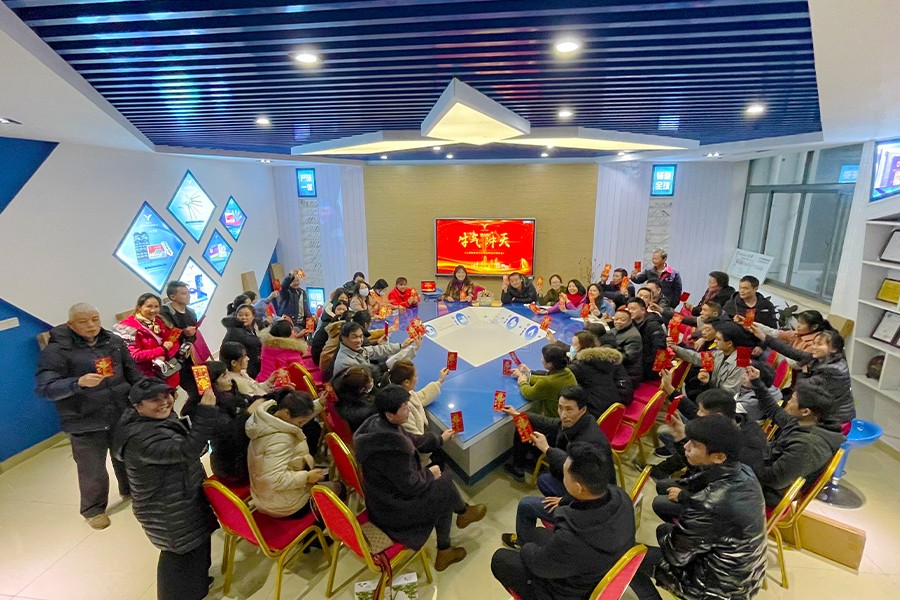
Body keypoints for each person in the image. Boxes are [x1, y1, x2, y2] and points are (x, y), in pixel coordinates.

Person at [629, 415, 767, 600]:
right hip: (744, 572)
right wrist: (681, 439)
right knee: (665, 528)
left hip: (714, 588)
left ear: (718, 456)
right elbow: (700, 475)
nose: (687, 446)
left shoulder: (709, 504)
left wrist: (672, 537)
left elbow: (676, 557)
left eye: (693, 444)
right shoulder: (743, 471)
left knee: (626, 558)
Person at [353, 386, 487, 571]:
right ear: (390, 415)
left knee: (443, 488)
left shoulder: (378, 425)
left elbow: (413, 440)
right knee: (444, 486)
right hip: (393, 510)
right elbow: (411, 485)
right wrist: (429, 474)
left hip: (380, 500)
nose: (409, 409)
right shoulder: (391, 451)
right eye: (404, 407)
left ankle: (452, 536)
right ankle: (458, 523)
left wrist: (439, 439)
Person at [35, 303, 142, 529]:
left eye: (95, 319)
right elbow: (44, 389)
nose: (91, 325)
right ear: (71, 324)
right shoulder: (56, 350)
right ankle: (93, 510)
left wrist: (149, 393)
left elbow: (131, 372)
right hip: (84, 420)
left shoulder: (113, 341)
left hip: (120, 412)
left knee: (126, 456)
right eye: (83, 321)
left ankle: (131, 490)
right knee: (92, 469)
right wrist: (77, 383)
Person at [112, 378, 219, 600]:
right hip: (165, 507)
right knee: (179, 555)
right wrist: (206, 412)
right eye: (154, 400)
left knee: (196, 546)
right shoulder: (140, 437)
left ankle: (197, 587)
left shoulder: (154, 420)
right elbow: (186, 450)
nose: (164, 402)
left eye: (167, 395)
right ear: (137, 406)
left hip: (182, 495)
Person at [491, 442, 635, 600]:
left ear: (578, 487)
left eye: (565, 475)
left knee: (500, 559)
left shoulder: (571, 536)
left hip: (567, 592)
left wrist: (526, 548)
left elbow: (539, 566)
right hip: (597, 570)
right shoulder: (622, 498)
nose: (562, 477)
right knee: (536, 533)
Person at [649, 388, 767, 520]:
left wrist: (683, 497)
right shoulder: (730, 424)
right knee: (663, 486)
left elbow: (717, 497)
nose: (697, 414)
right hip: (712, 486)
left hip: (722, 507)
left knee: (660, 504)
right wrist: (681, 438)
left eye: (701, 411)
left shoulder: (742, 450)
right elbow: (703, 471)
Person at [749, 372, 846, 508]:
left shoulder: (808, 445)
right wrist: (756, 382)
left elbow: (774, 480)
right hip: (765, 470)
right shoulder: (805, 422)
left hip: (766, 494)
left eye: (792, 400)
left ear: (805, 411)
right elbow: (774, 410)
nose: (788, 402)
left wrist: (747, 455)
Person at [245, 389, 337, 518]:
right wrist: (306, 477)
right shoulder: (280, 440)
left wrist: (319, 404)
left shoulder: (267, 419)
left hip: (267, 495)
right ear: (287, 413)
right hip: (284, 505)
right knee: (338, 489)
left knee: (326, 475)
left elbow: (298, 416)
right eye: (300, 423)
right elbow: (274, 479)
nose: (301, 426)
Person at [501, 385, 615, 488]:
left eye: (569, 409)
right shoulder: (582, 420)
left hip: (588, 489)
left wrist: (546, 449)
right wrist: (518, 415)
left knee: (543, 481)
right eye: (560, 408)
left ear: (583, 410)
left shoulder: (588, 441)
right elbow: (548, 422)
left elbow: (574, 468)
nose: (563, 415)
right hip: (577, 472)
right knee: (525, 423)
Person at [750, 322, 854, 426]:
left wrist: (804, 372)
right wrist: (763, 337)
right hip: (821, 411)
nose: (814, 347)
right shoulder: (821, 357)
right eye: (814, 343)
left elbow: (802, 390)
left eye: (819, 344)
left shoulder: (834, 370)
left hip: (835, 420)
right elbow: (790, 351)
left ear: (834, 349)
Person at [205, 360, 266, 487]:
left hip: (244, 453)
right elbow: (234, 440)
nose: (230, 379)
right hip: (234, 469)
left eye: (228, 374)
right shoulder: (213, 411)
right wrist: (247, 413)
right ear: (213, 384)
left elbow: (250, 400)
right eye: (224, 376)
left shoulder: (231, 392)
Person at [114, 293, 182, 387]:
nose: (153, 310)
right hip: (146, 377)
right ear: (139, 307)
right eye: (149, 306)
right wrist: (162, 350)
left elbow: (173, 341)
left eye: (156, 306)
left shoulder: (159, 320)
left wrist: (165, 356)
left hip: (167, 371)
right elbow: (134, 356)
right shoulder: (125, 327)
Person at [668, 320, 746, 397]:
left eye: (718, 339)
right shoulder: (720, 353)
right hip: (714, 392)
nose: (715, 341)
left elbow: (728, 394)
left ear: (729, 343)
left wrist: (708, 383)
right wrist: (676, 348)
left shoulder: (741, 362)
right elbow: (696, 357)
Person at [160, 280, 202, 408]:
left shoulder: (191, 312)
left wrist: (190, 339)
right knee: (186, 391)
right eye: (184, 294)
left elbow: (194, 334)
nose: (188, 296)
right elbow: (166, 338)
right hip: (174, 360)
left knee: (203, 386)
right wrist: (183, 333)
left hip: (191, 356)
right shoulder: (164, 314)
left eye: (188, 293)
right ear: (172, 297)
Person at [331, 321, 419, 378]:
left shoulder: (355, 349)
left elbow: (377, 349)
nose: (359, 340)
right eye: (354, 337)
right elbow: (366, 380)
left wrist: (401, 346)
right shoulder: (345, 363)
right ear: (344, 338)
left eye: (361, 336)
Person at [511, 343, 577, 417]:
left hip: (555, 418)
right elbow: (546, 378)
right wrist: (526, 375)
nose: (541, 359)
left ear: (550, 364)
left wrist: (522, 381)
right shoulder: (567, 372)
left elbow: (528, 393)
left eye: (542, 358)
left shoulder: (547, 383)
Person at [568, 343, 633, 417]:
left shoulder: (578, 367)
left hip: (595, 413)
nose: (572, 347)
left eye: (575, 345)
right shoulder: (611, 364)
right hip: (613, 408)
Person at [389, 360, 450, 438]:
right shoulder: (403, 410)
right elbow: (417, 440)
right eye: (415, 376)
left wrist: (440, 380)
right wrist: (442, 439)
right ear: (407, 382)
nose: (417, 378)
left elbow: (421, 396)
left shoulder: (407, 393)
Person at [626, 297, 667, 381]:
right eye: (628, 309)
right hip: (636, 362)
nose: (630, 311)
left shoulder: (653, 324)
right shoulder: (631, 323)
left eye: (633, 309)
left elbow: (660, 348)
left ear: (643, 310)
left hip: (647, 367)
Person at [221, 304, 264, 379]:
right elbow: (257, 343)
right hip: (239, 368)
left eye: (247, 315)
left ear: (253, 316)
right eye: (240, 315)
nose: (243, 317)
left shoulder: (250, 327)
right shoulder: (235, 331)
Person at [332, 365, 377, 433]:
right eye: (370, 381)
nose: (372, 381)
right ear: (361, 389)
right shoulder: (363, 412)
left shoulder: (344, 385)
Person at [611, 307, 643, 388]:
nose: (618, 322)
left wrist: (608, 355)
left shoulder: (633, 336)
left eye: (622, 320)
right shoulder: (614, 330)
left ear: (630, 321)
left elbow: (629, 357)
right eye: (616, 319)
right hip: (616, 369)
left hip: (628, 375)